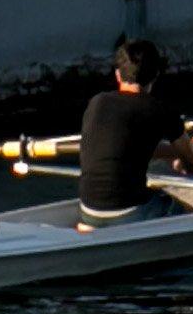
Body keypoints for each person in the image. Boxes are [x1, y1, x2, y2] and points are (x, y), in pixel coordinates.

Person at [71, 35, 176, 218]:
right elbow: (192, 165)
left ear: (118, 75)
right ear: (156, 75)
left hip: (88, 210)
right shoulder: (158, 108)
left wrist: (171, 152)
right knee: (180, 206)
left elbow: (127, 147)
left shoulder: (96, 102)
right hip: (128, 213)